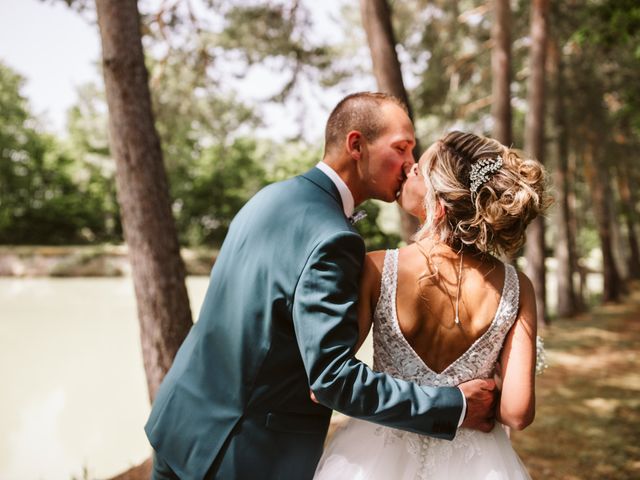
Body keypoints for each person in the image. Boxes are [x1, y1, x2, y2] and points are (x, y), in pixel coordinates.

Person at [145, 93, 497, 480]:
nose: (411, 163)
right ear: (356, 145)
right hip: (240, 454)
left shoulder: (269, 197)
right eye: (401, 148)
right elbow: (331, 378)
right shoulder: (334, 238)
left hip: (181, 424)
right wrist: (454, 405)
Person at [314, 131, 550, 479]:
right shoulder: (517, 286)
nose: (408, 169)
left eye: (419, 170)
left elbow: (334, 379)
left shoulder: (377, 268)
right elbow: (517, 412)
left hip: (376, 454)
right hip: (477, 463)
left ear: (438, 204)